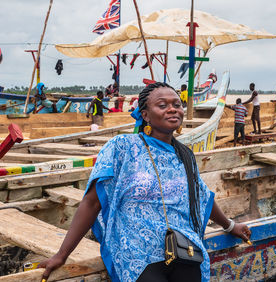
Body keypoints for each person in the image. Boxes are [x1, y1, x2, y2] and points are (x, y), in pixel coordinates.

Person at [39, 82, 251, 282]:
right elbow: (92, 203)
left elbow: (202, 197)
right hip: (138, 254)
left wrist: (230, 225)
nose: (172, 109)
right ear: (145, 115)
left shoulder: (184, 156)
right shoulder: (122, 147)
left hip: (183, 249)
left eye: (177, 105)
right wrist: (62, 255)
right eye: (162, 105)